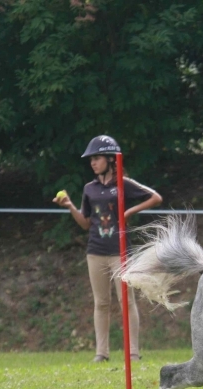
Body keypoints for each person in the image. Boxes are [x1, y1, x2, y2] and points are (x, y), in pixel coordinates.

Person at [53, 135, 163, 362]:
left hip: (120, 252)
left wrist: (130, 212)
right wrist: (70, 206)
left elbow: (155, 197)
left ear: (111, 160)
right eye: (91, 159)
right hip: (95, 252)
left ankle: (133, 353)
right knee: (101, 303)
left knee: (127, 301)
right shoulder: (89, 189)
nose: (93, 163)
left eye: (97, 158)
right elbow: (85, 223)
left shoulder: (124, 184)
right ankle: (101, 354)